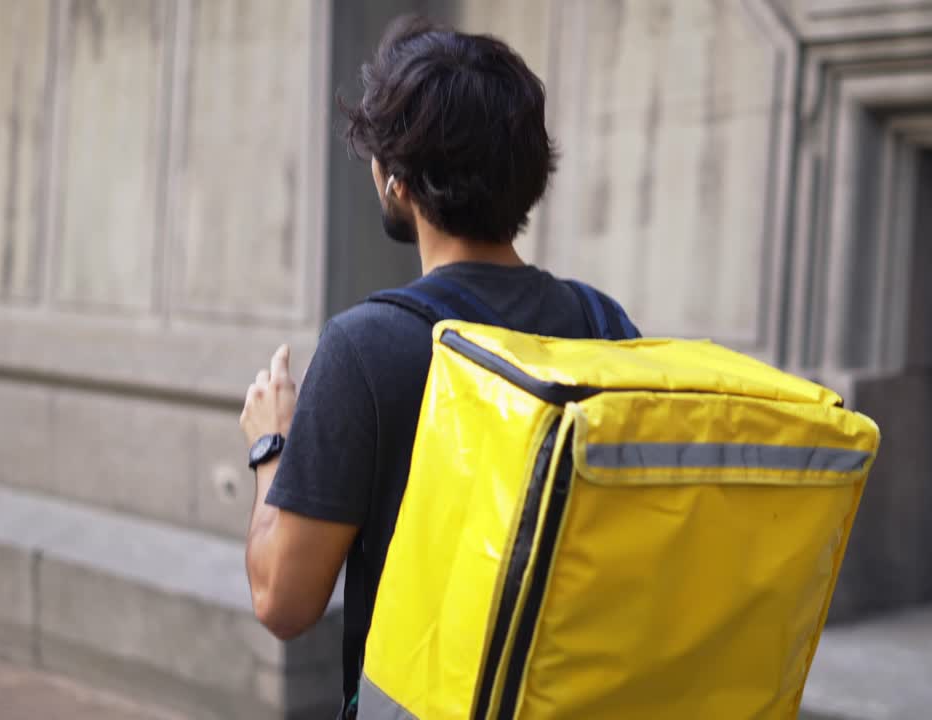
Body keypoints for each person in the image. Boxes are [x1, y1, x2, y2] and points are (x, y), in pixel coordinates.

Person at [237, 14, 635, 715]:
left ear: (396, 183)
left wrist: (273, 444)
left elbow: (282, 601)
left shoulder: (366, 349)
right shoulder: (603, 324)